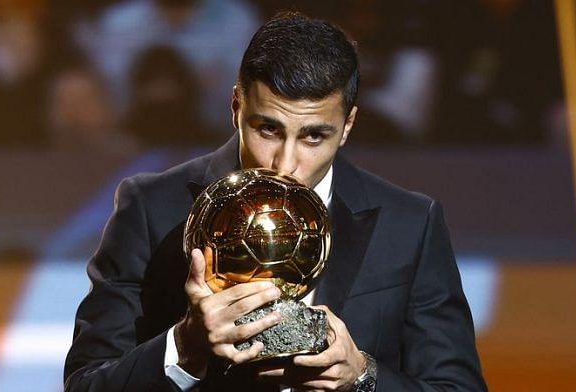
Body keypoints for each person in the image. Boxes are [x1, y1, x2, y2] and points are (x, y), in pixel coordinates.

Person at [64, 12, 487, 391]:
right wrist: (185, 347)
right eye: (268, 130)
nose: (285, 164)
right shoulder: (151, 208)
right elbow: (86, 383)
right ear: (236, 107)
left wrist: (361, 376)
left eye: (313, 136)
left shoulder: (410, 224)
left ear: (348, 125)